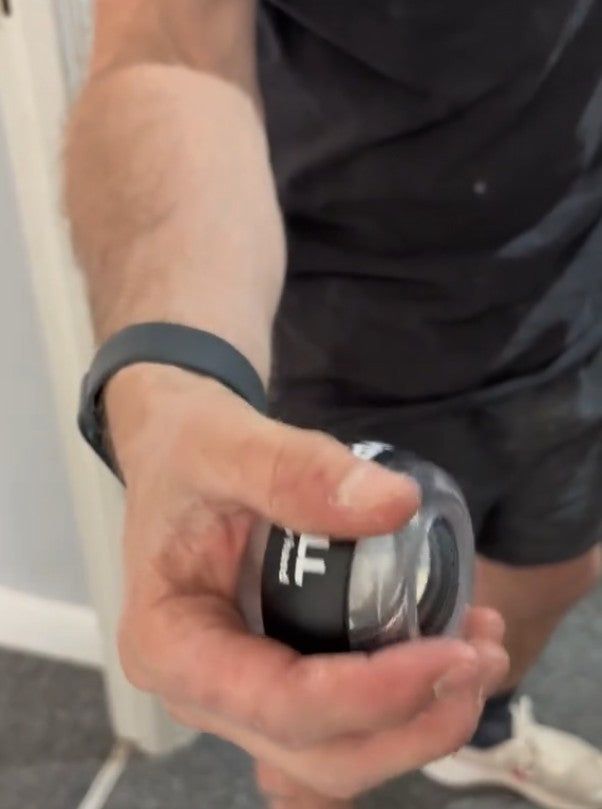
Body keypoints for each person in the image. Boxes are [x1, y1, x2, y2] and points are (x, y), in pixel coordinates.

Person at [64, 2, 602, 808]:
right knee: (315, 712)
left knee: (557, 567)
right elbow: (172, 53)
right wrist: (177, 381)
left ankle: (480, 736)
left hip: (567, 292)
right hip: (338, 340)